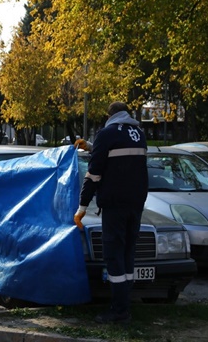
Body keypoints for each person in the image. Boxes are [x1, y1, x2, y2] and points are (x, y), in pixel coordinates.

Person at [74, 102, 148, 324]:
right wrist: (91, 146)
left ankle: (119, 311)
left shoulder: (106, 133)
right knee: (127, 255)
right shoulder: (139, 134)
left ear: (110, 116)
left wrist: (82, 207)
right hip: (136, 204)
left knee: (114, 256)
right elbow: (118, 156)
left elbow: (94, 174)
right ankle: (126, 305)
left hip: (115, 205)